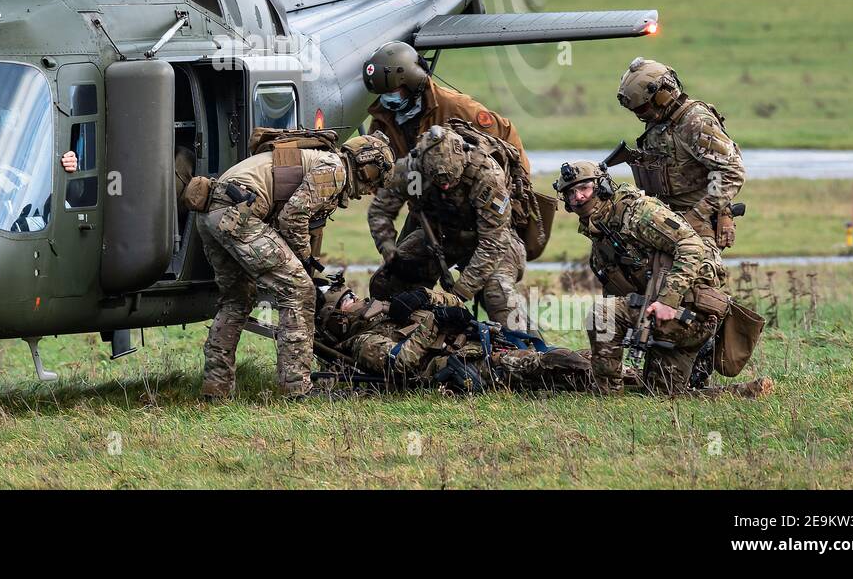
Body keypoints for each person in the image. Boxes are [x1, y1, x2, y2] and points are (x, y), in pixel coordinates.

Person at [197, 133, 394, 398]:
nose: (370, 192)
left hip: (214, 211)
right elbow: (293, 216)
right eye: (376, 183)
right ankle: (296, 389)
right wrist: (303, 259)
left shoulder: (322, 162)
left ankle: (216, 387)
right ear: (368, 167)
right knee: (300, 291)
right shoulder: (335, 169)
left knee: (236, 300)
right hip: (240, 213)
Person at [553, 160, 729, 395]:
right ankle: (747, 392)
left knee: (601, 312)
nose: (579, 197)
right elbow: (618, 299)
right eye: (571, 193)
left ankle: (606, 395)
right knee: (661, 393)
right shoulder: (600, 241)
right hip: (663, 318)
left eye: (584, 188)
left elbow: (691, 245)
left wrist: (668, 301)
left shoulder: (637, 212)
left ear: (602, 185)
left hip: (691, 312)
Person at [367, 123, 535, 334]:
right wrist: (391, 254)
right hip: (442, 236)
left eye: (451, 178)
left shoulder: (487, 175)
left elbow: (494, 242)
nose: (445, 185)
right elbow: (380, 211)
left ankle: (523, 348)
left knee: (496, 292)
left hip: (495, 241)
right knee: (387, 281)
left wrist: (459, 293)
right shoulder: (411, 168)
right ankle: (399, 340)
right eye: (438, 180)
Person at [314, 284, 591, 393]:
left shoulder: (388, 311)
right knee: (539, 364)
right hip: (454, 363)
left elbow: (454, 302)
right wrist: (436, 320)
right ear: (339, 320)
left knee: (551, 358)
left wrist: (425, 296)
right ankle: (597, 376)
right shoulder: (362, 341)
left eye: (351, 293)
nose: (355, 298)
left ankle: (608, 373)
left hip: (476, 341)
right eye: (346, 300)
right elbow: (402, 362)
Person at [617, 57, 745, 251]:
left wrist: (699, 215)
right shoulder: (660, 118)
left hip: (696, 221)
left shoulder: (695, 122)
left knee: (690, 277)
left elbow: (731, 171)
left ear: (662, 95)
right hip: (665, 216)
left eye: (642, 108)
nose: (640, 115)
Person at [363, 41, 529, 169]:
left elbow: (506, 135)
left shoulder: (457, 107)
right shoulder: (384, 118)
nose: (388, 99)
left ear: (412, 82)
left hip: (470, 201)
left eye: (393, 91)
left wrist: (517, 189)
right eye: (383, 93)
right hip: (428, 203)